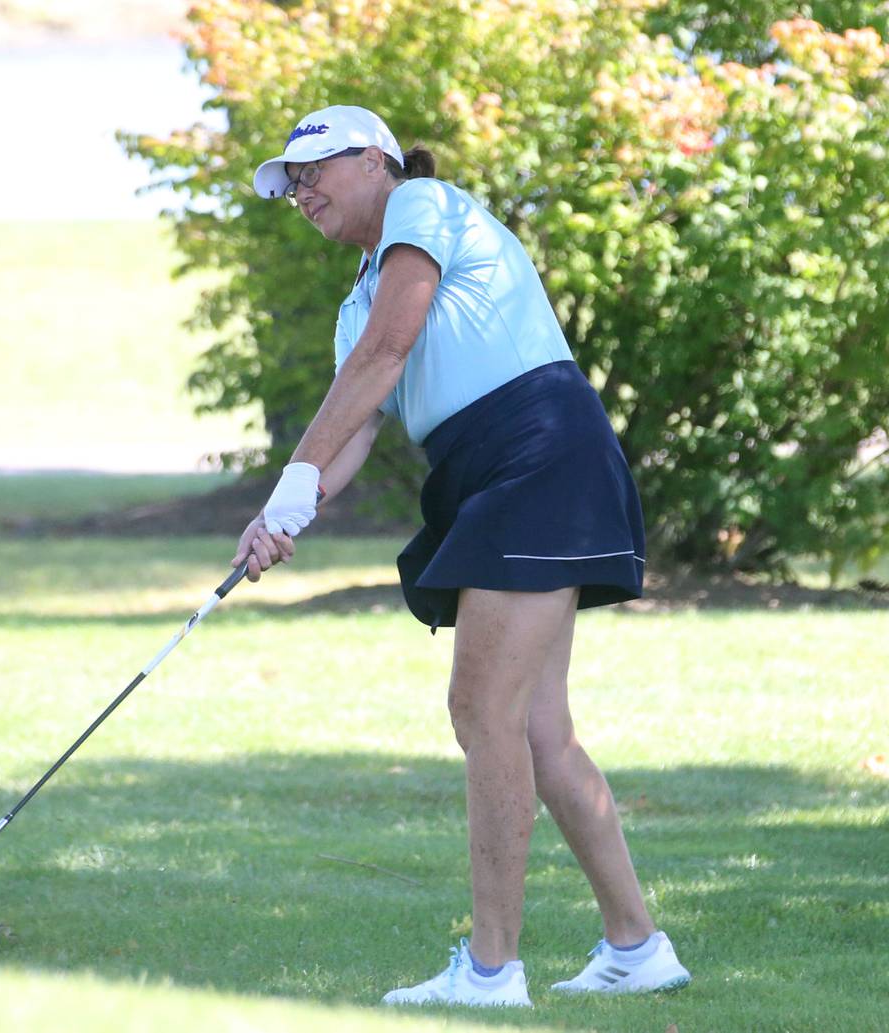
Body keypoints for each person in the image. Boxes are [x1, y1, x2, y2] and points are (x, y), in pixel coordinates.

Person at [232, 105, 692, 1008]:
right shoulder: (354, 299)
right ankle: (637, 947)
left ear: (376, 162)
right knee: (534, 728)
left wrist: (293, 475)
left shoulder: (425, 205)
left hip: (539, 449)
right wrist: (288, 512)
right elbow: (358, 419)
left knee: (481, 707)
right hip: (496, 469)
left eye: (314, 168)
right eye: (290, 182)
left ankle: (491, 970)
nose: (301, 191)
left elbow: (390, 350)